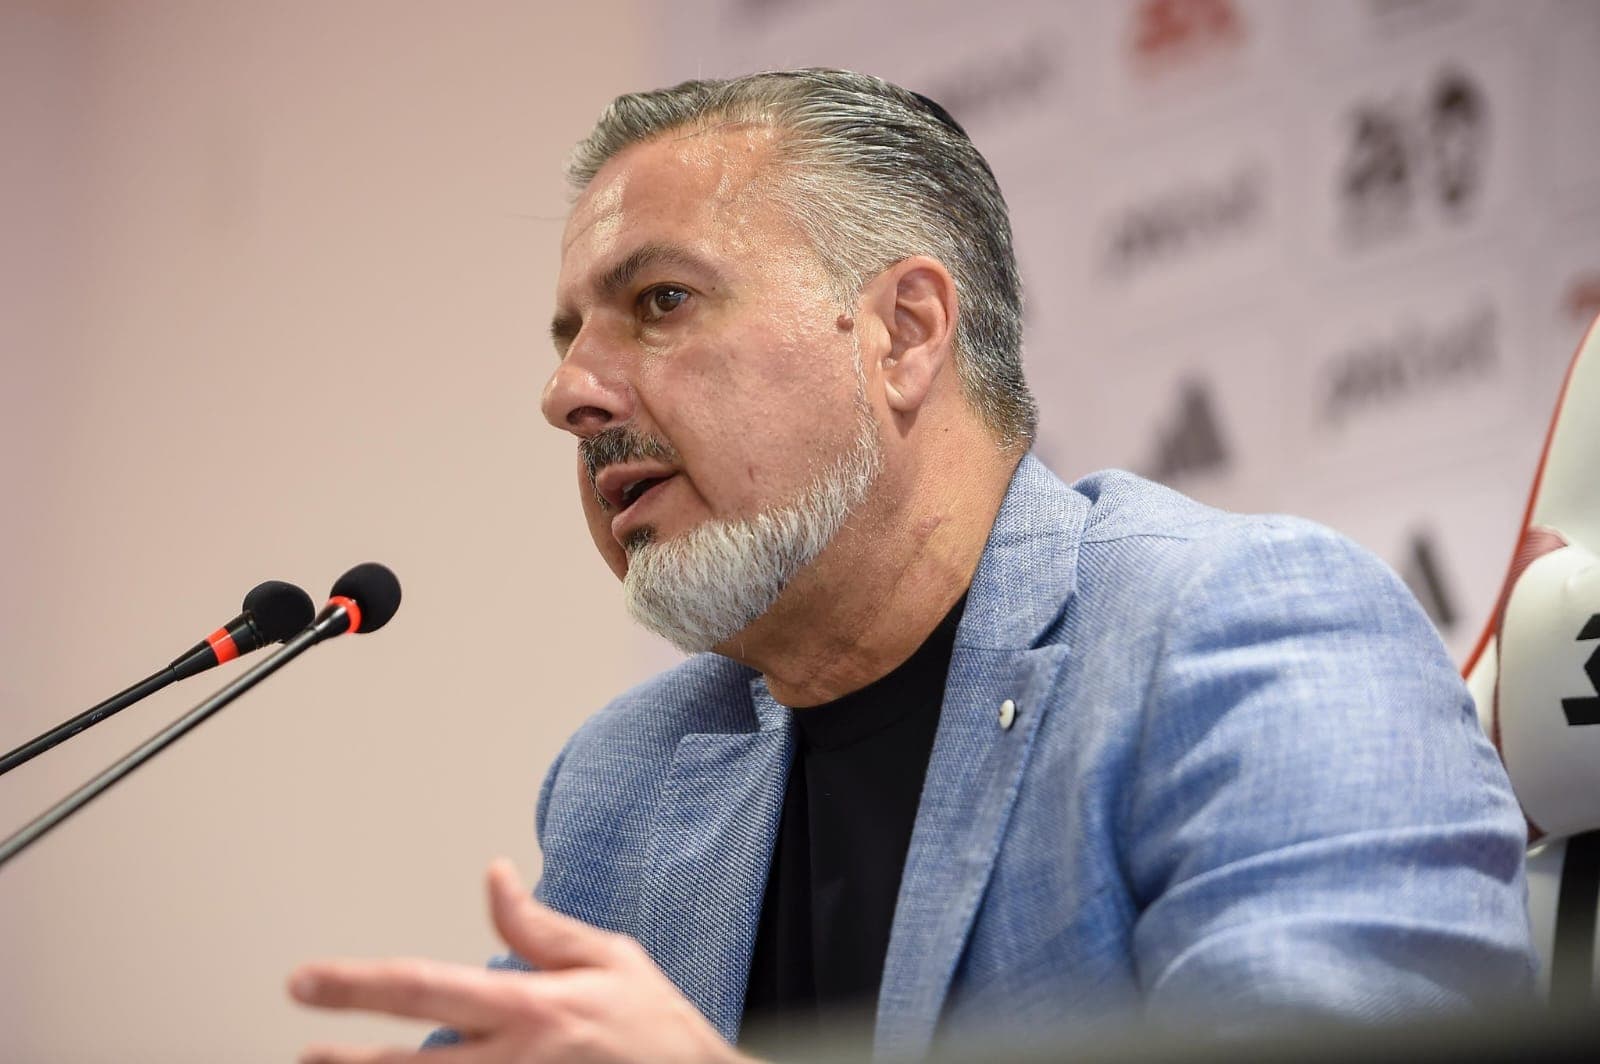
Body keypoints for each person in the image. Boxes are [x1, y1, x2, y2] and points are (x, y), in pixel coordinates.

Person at [288, 69, 1536, 1063]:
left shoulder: (1238, 636)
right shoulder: (628, 778)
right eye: (568, 337)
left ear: (902, 331)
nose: (567, 392)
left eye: (659, 301)